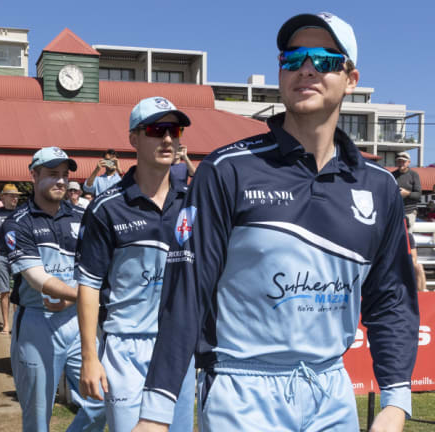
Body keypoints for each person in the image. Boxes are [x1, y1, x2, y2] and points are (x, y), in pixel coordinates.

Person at [134, 12, 419, 432]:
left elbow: (391, 298)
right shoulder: (227, 170)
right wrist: (156, 413)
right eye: (293, 59)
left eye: (323, 60)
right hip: (242, 390)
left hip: (332, 391)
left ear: (351, 78)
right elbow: (187, 292)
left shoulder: (378, 185)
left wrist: (395, 402)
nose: (306, 69)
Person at [77, 97, 195, 432]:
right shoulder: (106, 207)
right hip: (125, 346)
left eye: (174, 129)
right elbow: (88, 286)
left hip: (177, 344)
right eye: (157, 130)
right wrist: (89, 358)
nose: (168, 139)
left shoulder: (194, 200)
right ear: (134, 139)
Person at [3, 146, 106, 432]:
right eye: (51, 174)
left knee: (103, 400)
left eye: (64, 175)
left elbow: (97, 268)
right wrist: (81, 296)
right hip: (36, 321)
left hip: (77, 321)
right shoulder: (17, 222)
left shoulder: (82, 217)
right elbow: (36, 278)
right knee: (38, 418)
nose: (60, 181)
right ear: (34, 175)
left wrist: (77, 300)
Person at [0, 183, 21, 335]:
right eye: (12, 195)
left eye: (17, 196)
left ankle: (17, 324)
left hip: (19, 256)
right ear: (4, 197)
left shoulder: (21, 212)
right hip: (1, 255)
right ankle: (6, 324)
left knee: (19, 291)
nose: (15, 198)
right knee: (4, 291)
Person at [392, 151, 421, 229]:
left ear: (408, 162)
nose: (401, 163)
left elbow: (418, 195)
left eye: (403, 161)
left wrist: (407, 193)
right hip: (395, 212)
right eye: (399, 161)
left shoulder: (414, 175)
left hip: (409, 212)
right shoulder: (392, 175)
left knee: (407, 237)